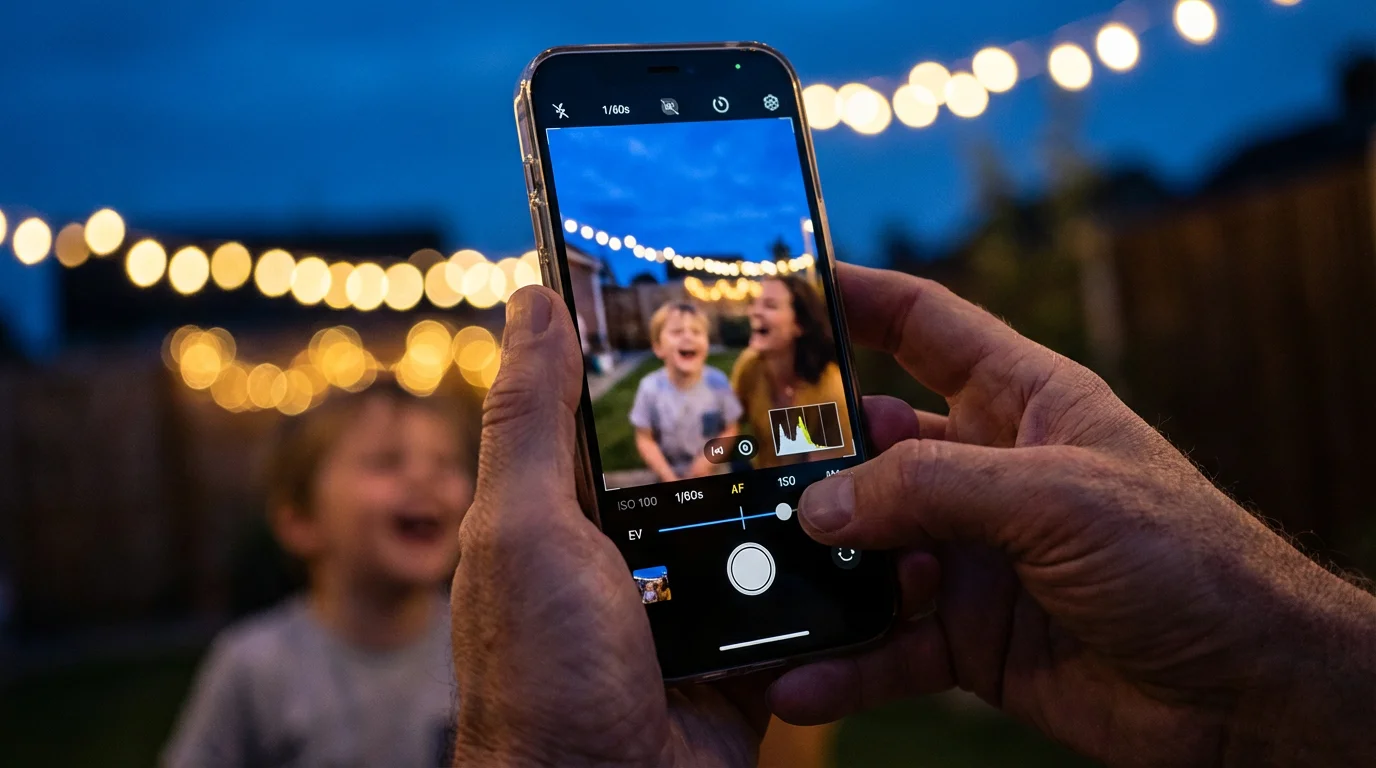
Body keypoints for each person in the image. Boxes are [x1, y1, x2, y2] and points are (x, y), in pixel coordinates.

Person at [450, 265, 1376, 766]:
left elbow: (791, 447)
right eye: (754, 311)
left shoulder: (815, 381)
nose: (757, 323)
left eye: (771, 309)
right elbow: (739, 442)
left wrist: (1270, 682)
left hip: (805, 525)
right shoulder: (725, 383)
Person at [164, 382, 476, 768]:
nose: (424, 478)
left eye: (446, 463)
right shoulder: (254, 667)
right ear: (300, 520)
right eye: (386, 462)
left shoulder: (485, 652)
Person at [731, 275, 853, 467]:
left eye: (770, 306)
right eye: (754, 303)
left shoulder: (830, 387)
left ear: (800, 325)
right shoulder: (749, 365)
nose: (754, 312)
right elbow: (729, 423)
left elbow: (831, 470)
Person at [630, 301, 743, 482]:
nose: (688, 337)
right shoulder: (649, 388)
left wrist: (708, 460)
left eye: (697, 332)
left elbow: (731, 428)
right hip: (668, 474)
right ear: (658, 347)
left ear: (706, 343)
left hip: (714, 471)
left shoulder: (718, 383)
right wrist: (666, 474)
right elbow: (644, 438)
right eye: (677, 332)